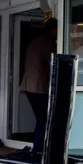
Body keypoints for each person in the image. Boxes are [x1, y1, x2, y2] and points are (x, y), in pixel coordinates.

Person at [20, 17, 58, 155]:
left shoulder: (34, 42)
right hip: (38, 86)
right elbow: (54, 62)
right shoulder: (47, 42)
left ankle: (38, 148)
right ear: (53, 30)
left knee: (41, 117)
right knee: (44, 118)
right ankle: (38, 149)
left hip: (30, 85)